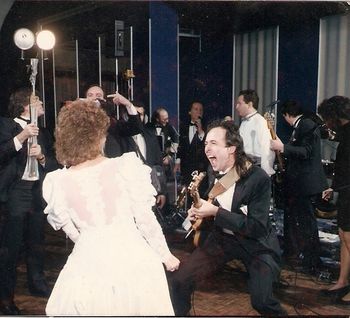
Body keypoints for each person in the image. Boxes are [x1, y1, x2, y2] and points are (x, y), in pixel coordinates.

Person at [42, 99, 179, 315]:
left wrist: (93, 244)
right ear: (99, 136)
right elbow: (145, 220)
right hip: (133, 259)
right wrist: (166, 256)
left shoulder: (57, 182)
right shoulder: (125, 167)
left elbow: (70, 230)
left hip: (87, 264)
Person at [170, 120, 286, 316]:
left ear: (231, 148)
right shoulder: (213, 172)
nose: (207, 149)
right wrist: (197, 213)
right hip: (223, 239)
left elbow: (256, 227)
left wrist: (214, 213)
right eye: (206, 143)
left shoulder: (258, 179)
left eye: (213, 143)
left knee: (262, 301)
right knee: (179, 281)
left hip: (256, 244)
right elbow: (212, 207)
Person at [0, 88, 58, 315]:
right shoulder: (5, 125)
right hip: (15, 192)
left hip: (37, 192)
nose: (42, 103)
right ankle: (6, 298)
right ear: (25, 105)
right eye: (37, 100)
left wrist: (43, 157)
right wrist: (21, 137)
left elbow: (54, 164)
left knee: (36, 244)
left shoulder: (43, 132)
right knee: (10, 249)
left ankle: (37, 284)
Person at [270, 100, 328, 272]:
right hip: (301, 184)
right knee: (302, 222)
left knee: (306, 223)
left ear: (286, 115)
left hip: (306, 185)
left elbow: (306, 152)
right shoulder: (304, 125)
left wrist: (283, 147)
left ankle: (313, 261)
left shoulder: (306, 125)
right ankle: (304, 256)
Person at [318, 96, 350, 304]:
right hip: (346, 191)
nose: (327, 124)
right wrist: (334, 187)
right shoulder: (345, 133)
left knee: (348, 237)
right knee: (343, 235)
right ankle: (342, 281)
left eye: (327, 119)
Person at [85, 85, 143, 156]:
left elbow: (136, 128)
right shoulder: (75, 121)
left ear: (104, 100)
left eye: (98, 95)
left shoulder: (112, 123)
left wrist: (128, 104)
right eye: (90, 95)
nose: (94, 98)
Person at [235, 89, 276, 176]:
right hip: (244, 167)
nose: (236, 107)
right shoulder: (243, 122)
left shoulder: (261, 122)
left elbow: (267, 149)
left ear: (249, 104)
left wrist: (266, 174)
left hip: (255, 169)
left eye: (239, 103)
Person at [174, 101, 209, 188]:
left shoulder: (207, 127)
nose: (199, 112)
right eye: (196, 109)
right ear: (190, 112)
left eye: (201, 110)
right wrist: (178, 161)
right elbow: (181, 145)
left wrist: (200, 129)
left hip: (201, 168)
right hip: (187, 167)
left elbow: (206, 143)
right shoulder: (184, 127)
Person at [148, 107, 179, 180]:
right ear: (157, 119)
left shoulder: (169, 127)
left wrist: (170, 155)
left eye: (167, 118)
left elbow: (176, 139)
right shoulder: (148, 127)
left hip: (164, 161)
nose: (167, 121)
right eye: (164, 119)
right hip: (151, 161)